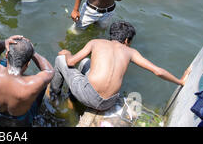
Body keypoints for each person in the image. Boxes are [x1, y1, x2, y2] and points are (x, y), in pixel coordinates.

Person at [50, 21, 191, 112]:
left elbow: (70, 62)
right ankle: (72, 97)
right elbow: (158, 71)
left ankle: (54, 96)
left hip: (88, 95)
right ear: (126, 40)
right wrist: (181, 81)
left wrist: (67, 53)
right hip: (108, 103)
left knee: (60, 59)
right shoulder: (131, 52)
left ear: (112, 35)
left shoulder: (96, 42)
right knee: (85, 63)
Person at [0, 35, 54, 127]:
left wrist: (5, 42)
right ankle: (36, 112)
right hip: (20, 123)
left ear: (6, 55)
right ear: (28, 64)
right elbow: (49, 71)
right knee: (43, 84)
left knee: (2, 63)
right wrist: (32, 52)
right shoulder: (32, 85)